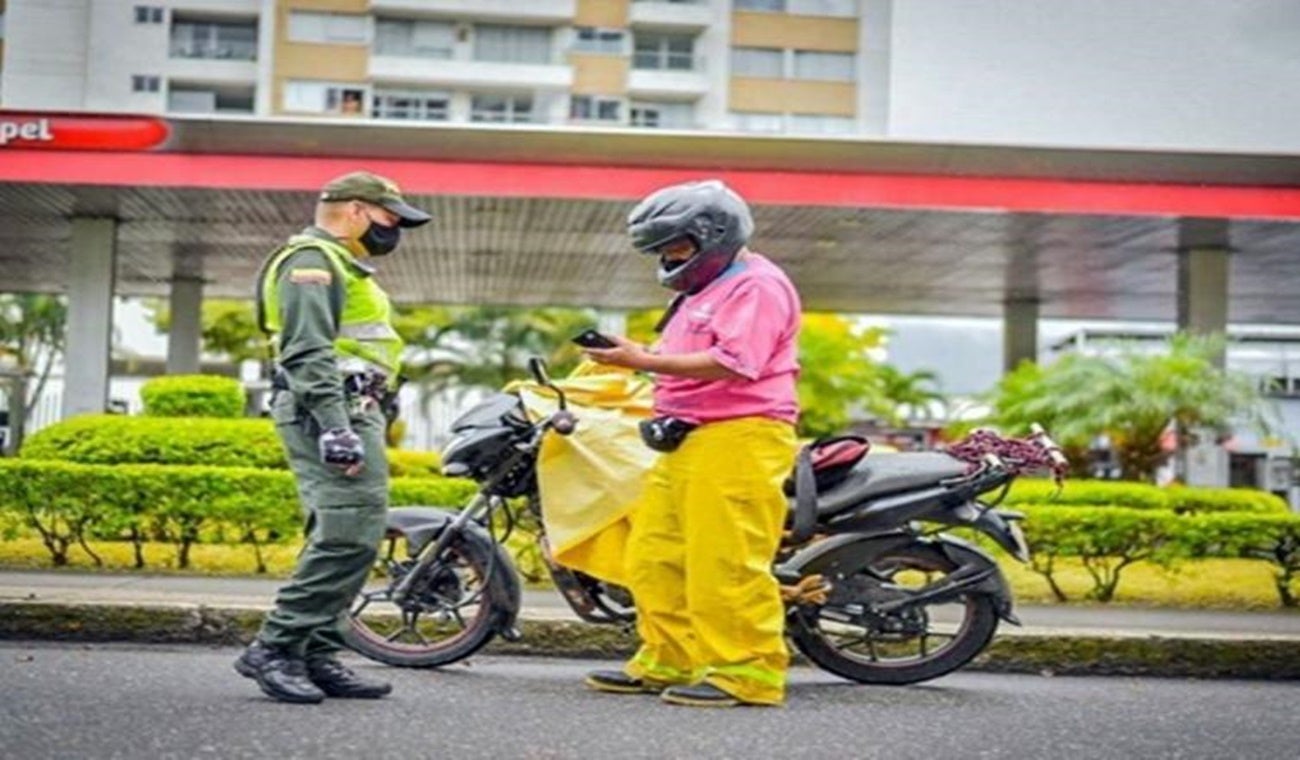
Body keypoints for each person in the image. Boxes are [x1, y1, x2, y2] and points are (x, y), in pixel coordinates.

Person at [581, 179, 802, 707]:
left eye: (675, 245)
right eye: (661, 248)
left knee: (724, 563)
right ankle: (668, 658)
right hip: (685, 438)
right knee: (655, 556)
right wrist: (641, 354)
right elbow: (682, 358)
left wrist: (643, 361)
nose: (666, 257)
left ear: (713, 236)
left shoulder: (758, 286)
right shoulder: (703, 290)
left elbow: (734, 363)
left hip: (739, 437)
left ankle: (747, 672)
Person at [234, 171, 431, 703]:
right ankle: (274, 647)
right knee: (350, 534)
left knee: (343, 533)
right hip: (328, 409)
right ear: (358, 211)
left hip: (351, 406)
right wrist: (336, 425)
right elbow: (306, 350)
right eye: (392, 219)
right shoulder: (310, 264)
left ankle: (315, 652)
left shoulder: (340, 264)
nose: (396, 230)